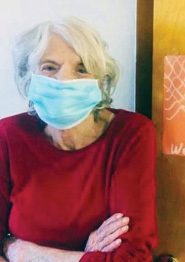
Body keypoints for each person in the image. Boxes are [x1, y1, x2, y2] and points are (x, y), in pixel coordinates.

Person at [0, 17, 157, 262]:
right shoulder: (8, 135)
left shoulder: (131, 134)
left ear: (100, 81)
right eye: (49, 67)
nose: (65, 81)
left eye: (82, 68)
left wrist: (27, 253)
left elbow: (133, 257)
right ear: (28, 78)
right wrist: (86, 257)